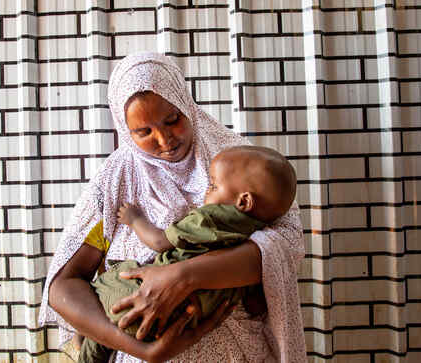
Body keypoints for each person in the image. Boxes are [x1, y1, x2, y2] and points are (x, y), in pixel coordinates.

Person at [39, 52, 306, 363]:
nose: (164, 138)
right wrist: (140, 348)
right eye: (144, 132)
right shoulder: (115, 184)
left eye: (173, 120)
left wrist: (184, 276)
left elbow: (284, 244)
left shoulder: (237, 160)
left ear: (185, 102)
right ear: (125, 131)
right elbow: (63, 287)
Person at [78, 144, 298, 363]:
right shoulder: (257, 239)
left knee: (108, 283)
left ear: (243, 201)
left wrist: (135, 220)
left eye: (213, 186)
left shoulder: (209, 219)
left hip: (142, 302)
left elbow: (160, 241)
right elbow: (256, 304)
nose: (205, 191)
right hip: (185, 321)